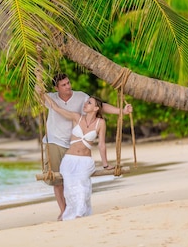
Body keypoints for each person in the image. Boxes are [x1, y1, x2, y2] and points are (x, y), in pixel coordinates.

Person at [42, 73, 132, 220]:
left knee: (78, 183)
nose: (68, 86)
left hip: (78, 150)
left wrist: (122, 111)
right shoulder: (52, 98)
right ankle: (64, 211)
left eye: (68, 83)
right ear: (56, 87)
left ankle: (77, 211)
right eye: (63, 85)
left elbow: (100, 105)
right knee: (58, 181)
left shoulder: (82, 97)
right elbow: (51, 105)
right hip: (55, 141)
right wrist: (37, 82)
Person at [43, 93, 108, 220]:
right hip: (69, 160)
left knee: (82, 185)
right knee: (69, 188)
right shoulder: (76, 117)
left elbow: (101, 145)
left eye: (89, 103)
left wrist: (105, 164)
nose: (85, 104)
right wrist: (42, 94)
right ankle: (71, 213)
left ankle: (79, 213)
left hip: (85, 161)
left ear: (96, 108)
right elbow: (56, 108)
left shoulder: (100, 123)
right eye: (86, 102)